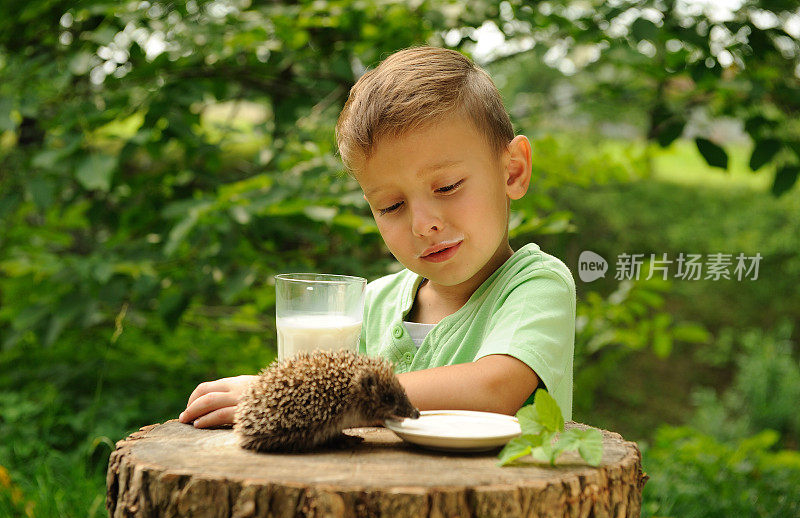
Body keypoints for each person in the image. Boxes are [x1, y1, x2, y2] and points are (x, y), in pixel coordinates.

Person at [179, 46, 576, 429]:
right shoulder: (371, 306)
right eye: (390, 206)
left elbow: (494, 388)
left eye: (448, 186)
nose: (423, 224)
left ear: (513, 172)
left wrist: (313, 394)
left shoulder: (535, 284)